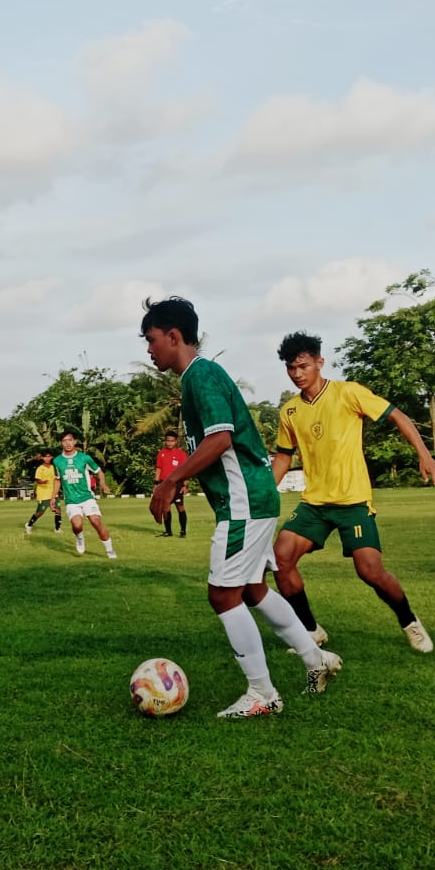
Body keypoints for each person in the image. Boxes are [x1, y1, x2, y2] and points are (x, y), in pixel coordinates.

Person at [142, 297, 339, 717]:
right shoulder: (197, 377)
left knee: (221, 595)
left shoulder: (201, 376)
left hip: (243, 502)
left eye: (152, 339)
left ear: (173, 336)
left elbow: (220, 440)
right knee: (250, 589)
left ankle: (262, 695)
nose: (149, 349)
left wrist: (172, 480)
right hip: (251, 498)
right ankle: (316, 660)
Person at [268, 331, 435, 655]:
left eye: (303, 366)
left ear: (319, 362)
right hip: (315, 503)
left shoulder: (347, 393)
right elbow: (283, 455)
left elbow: (397, 415)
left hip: (352, 501)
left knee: (370, 571)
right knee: (281, 558)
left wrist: (424, 453)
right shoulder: (290, 411)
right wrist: (265, 490)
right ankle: (311, 630)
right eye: (290, 368)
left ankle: (410, 622)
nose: (297, 374)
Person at [53, 431, 117, 558]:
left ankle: (110, 551)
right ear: (61, 443)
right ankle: (80, 537)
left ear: (75, 441)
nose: (68, 443)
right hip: (71, 499)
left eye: (70, 440)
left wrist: (103, 484)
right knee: (77, 525)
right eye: (65, 440)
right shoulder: (57, 461)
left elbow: (99, 472)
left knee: (96, 522)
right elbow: (57, 479)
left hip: (87, 497)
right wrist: (53, 496)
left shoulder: (84, 458)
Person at [155, 432, 189, 537]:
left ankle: (183, 531)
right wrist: (156, 484)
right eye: (167, 441)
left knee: (180, 507)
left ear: (176, 441)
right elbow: (158, 469)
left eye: (172, 441)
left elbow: (186, 470)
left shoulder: (181, 454)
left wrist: (185, 485)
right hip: (164, 484)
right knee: (166, 508)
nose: (169, 443)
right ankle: (168, 531)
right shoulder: (161, 453)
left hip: (177, 484)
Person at [23, 450, 63, 534]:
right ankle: (29, 524)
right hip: (43, 493)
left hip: (53, 492)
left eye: (49, 456)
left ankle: (57, 529)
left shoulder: (54, 467)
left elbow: (57, 479)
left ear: (52, 457)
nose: (47, 458)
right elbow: (37, 479)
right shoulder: (40, 468)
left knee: (58, 510)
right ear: (42, 457)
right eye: (45, 456)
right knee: (40, 512)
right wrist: (42, 482)